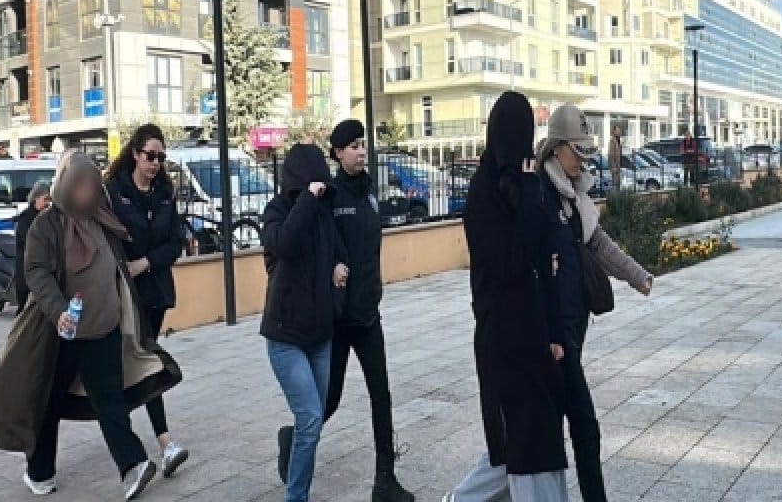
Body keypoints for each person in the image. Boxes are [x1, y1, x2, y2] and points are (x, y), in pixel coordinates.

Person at [0, 149, 181, 500]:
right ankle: (40, 471)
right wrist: (60, 311)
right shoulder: (46, 225)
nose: (87, 193)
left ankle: (133, 465)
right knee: (46, 401)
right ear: (66, 187)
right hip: (59, 332)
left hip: (104, 327)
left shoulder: (102, 218)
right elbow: (37, 272)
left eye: (92, 185)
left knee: (109, 400)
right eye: (80, 186)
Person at [273, 120, 415, 500]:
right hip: (337, 319)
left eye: (362, 144)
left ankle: (385, 479)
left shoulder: (369, 193)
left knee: (381, 395)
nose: (361, 151)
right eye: (353, 146)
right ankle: (293, 439)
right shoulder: (330, 198)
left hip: (368, 314)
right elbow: (312, 250)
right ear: (337, 153)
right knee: (328, 400)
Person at [444, 91, 569, 502]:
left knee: (534, 441)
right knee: (523, 444)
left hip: (533, 335)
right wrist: (530, 198)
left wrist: (554, 334)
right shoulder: (484, 192)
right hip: (503, 337)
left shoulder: (525, 184)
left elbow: (544, 265)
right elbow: (509, 265)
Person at [535, 104, 653, 502]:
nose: (583, 159)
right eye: (577, 151)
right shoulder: (539, 195)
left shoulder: (576, 194)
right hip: (553, 333)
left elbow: (599, 243)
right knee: (584, 424)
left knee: (549, 422)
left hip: (574, 324)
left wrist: (637, 275)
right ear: (556, 147)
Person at [260, 143, 348, 502]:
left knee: (313, 419)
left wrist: (339, 269)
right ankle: (297, 497)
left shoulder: (324, 214)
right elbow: (285, 244)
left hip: (320, 335)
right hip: (285, 337)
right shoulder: (277, 211)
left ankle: (291, 449)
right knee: (311, 418)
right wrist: (307, 200)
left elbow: (339, 254)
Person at [104, 124, 190, 477]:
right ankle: (154, 444)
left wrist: (147, 262)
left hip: (156, 293)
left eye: (160, 157)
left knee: (146, 359)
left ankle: (157, 446)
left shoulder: (165, 193)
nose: (155, 163)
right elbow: (107, 239)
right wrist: (126, 268)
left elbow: (175, 243)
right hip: (124, 294)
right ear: (135, 153)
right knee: (137, 362)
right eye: (150, 155)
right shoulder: (114, 192)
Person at [13, 180, 51, 313]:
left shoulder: (46, 217)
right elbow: (32, 242)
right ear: (36, 198)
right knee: (24, 312)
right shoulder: (26, 218)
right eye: (45, 199)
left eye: (50, 199)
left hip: (41, 271)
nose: (48, 203)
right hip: (27, 272)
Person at [607, 125, 623, 191]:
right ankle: (614, 196)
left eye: (619, 130)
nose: (619, 132)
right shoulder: (612, 141)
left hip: (618, 165)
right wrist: (613, 166)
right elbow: (611, 154)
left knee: (618, 183)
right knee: (615, 183)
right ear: (614, 131)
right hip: (615, 166)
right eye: (617, 130)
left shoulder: (618, 140)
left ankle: (618, 196)